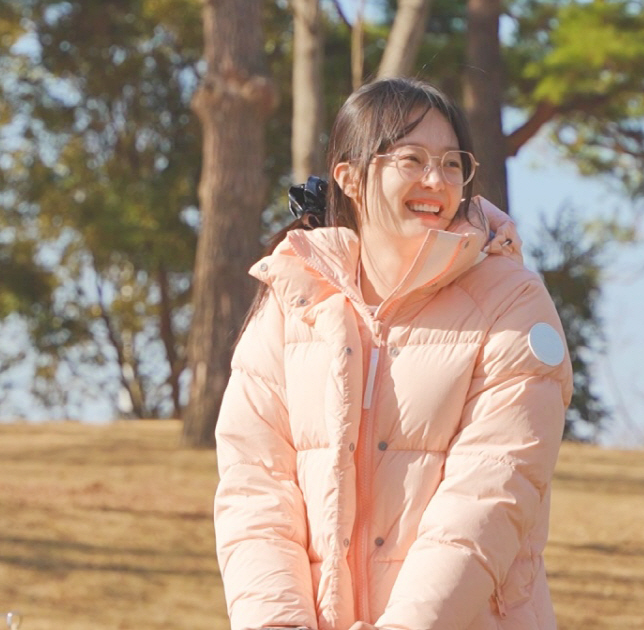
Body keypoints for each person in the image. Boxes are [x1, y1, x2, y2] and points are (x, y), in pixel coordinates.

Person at [215, 76, 571, 630]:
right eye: (412, 159)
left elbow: (492, 492)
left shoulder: (513, 301)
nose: (437, 179)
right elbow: (254, 485)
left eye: (453, 163)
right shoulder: (294, 297)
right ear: (350, 176)